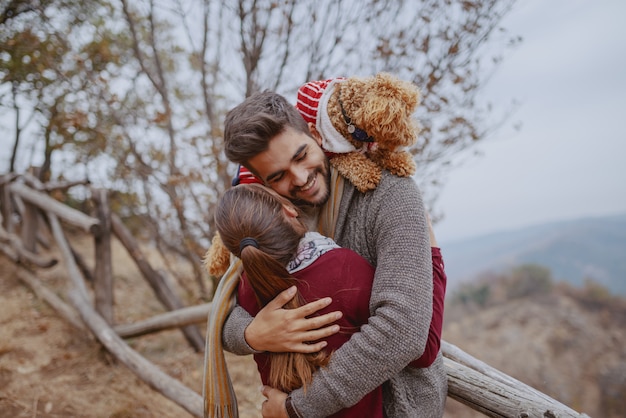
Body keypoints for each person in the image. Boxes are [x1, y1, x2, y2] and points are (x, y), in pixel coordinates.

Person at [217, 88, 447, 418]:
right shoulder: (272, 217)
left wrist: (299, 408)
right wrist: (253, 334)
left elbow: (405, 332)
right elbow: (225, 310)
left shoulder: (391, 193)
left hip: (398, 408)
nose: (300, 179)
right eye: (279, 175)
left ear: (314, 134)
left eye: (300, 156)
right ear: (264, 182)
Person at [214, 182, 383, 418]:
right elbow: (419, 346)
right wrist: (432, 256)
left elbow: (221, 324)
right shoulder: (346, 268)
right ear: (288, 209)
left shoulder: (244, 289)